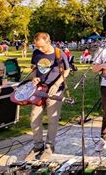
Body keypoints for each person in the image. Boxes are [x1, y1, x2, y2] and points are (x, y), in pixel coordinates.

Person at [26, 32, 70, 160]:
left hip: (54, 91)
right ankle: (38, 145)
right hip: (39, 90)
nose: (39, 49)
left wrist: (56, 85)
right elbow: (34, 68)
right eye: (37, 46)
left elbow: (66, 70)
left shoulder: (58, 53)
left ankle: (50, 146)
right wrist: (34, 79)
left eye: (41, 46)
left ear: (48, 42)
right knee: (34, 117)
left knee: (52, 119)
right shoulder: (36, 52)